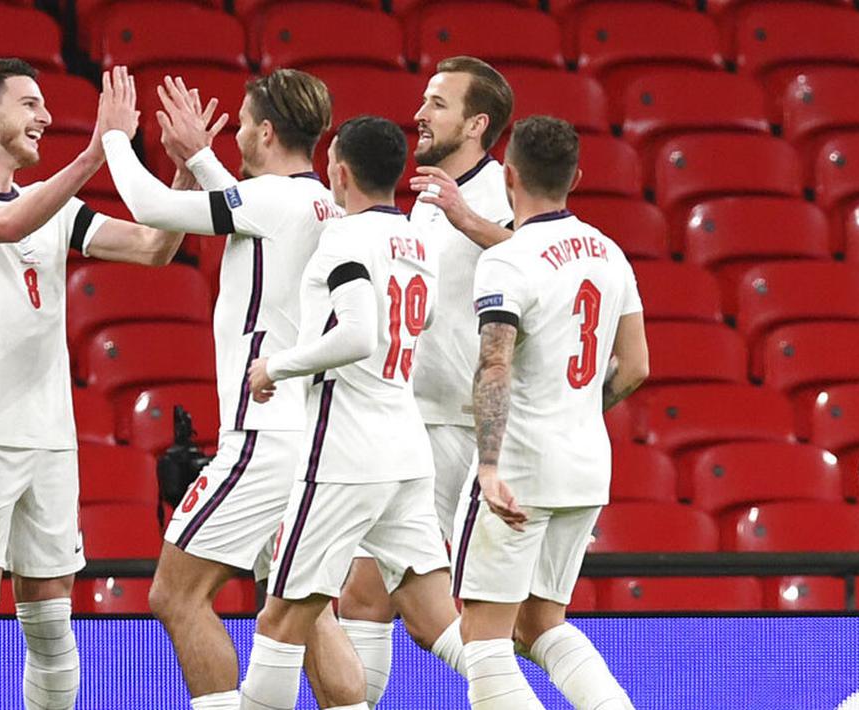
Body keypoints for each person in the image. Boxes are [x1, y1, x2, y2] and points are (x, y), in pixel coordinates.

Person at [0, 59, 192, 710]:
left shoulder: (58, 209)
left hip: (50, 436)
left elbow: (155, 246)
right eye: (30, 104)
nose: (44, 117)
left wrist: (180, 173)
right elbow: (8, 225)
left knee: (50, 620)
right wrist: (99, 150)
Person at [97, 66, 365, 709]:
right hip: (317, 440)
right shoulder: (320, 201)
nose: (236, 133)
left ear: (266, 131)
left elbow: (153, 209)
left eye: (243, 123)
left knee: (176, 594)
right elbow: (249, 212)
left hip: (264, 436)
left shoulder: (272, 201)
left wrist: (112, 138)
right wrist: (199, 157)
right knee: (302, 606)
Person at [241, 115, 451, 710]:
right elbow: (424, 317)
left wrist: (276, 366)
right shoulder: (413, 239)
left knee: (280, 623)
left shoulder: (344, 237)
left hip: (345, 452)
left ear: (338, 171)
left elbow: (359, 334)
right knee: (444, 623)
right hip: (407, 452)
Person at [335, 55, 516, 706]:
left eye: (437, 103)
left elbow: (542, 270)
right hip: (413, 423)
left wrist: (471, 220)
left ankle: (515, 697)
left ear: (476, 123)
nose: (419, 113)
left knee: (437, 610)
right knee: (365, 594)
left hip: (465, 434)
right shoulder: (424, 199)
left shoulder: (499, 191)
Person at [455, 115, 648, 709]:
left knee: (483, 640)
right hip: (586, 465)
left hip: (519, 468)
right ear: (576, 178)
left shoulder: (510, 259)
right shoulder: (611, 254)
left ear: (509, 175)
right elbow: (636, 365)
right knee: (542, 624)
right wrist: (582, 408)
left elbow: (495, 365)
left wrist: (488, 466)